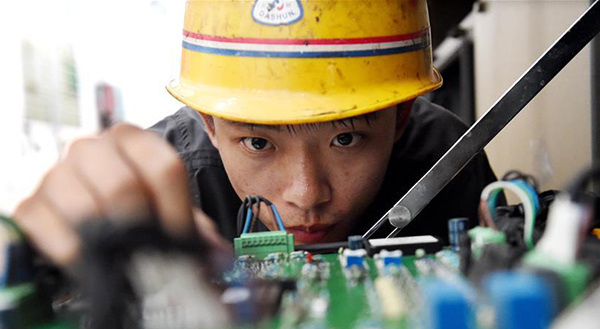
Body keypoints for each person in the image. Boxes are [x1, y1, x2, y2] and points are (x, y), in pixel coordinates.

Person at [13, 0, 497, 268]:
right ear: (209, 124)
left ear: (401, 118)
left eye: (346, 139)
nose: (306, 196)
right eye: (259, 143)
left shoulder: (449, 161)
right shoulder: (154, 193)